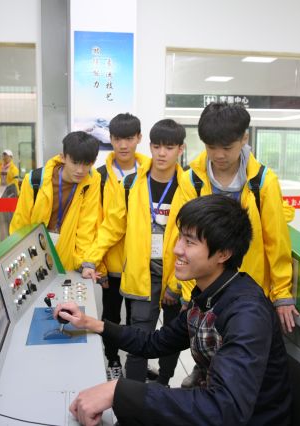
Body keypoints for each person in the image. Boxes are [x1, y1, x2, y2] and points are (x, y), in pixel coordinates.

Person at [56, 195, 292, 426]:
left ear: (223, 253)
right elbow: (154, 343)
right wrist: (91, 323)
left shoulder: (247, 313)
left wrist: (119, 391)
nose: (177, 249)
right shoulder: (208, 296)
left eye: (190, 242)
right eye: (180, 237)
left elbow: (224, 408)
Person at [163, 103, 298, 387]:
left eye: (227, 147)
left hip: (247, 287)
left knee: (240, 356)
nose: (219, 155)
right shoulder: (191, 180)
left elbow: (276, 240)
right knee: (206, 343)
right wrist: (188, 292)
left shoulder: (263, 182)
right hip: (206, 285)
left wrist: (281, 294)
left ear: (244, 138)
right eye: (211, 147)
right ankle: (204, 376)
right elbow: (180, 238)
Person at [83, 119, 186, 385]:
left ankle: (163, 383)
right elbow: (111, 227)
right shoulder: (131, 184)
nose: (162, 153)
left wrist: (177, 284)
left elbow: (196, 238)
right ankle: (134, 394)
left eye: (169, 147)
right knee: (139, 338)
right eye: (157, 146)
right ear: (149, 146)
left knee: (173, 337)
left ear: (181, 149)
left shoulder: (189, 187)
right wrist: (91, 259)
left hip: (178, 274)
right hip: (142, 274)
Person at [82, 113, 146, 380]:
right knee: (110, 318)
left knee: (137, 320)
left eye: (129, 138)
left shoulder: (149, 172)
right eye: (118, 139)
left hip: (140, 265)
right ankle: (112, 360)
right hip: (111, 264)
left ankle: (135, 363)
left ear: (139, 138)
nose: (123, 145)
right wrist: (100, 265)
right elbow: (96, 223)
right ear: (110, 139)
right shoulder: (98, 177)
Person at [9, 131, 101, 271]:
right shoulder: (34, 180)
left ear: (93, 162)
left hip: (68, 258)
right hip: (33, 257)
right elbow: (20, 224)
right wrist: (19, 260)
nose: (80, 170)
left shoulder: (91, 181)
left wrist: (82, 263)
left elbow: (86, 226)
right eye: (75, 163)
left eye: (86, 164)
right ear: (63, 158)